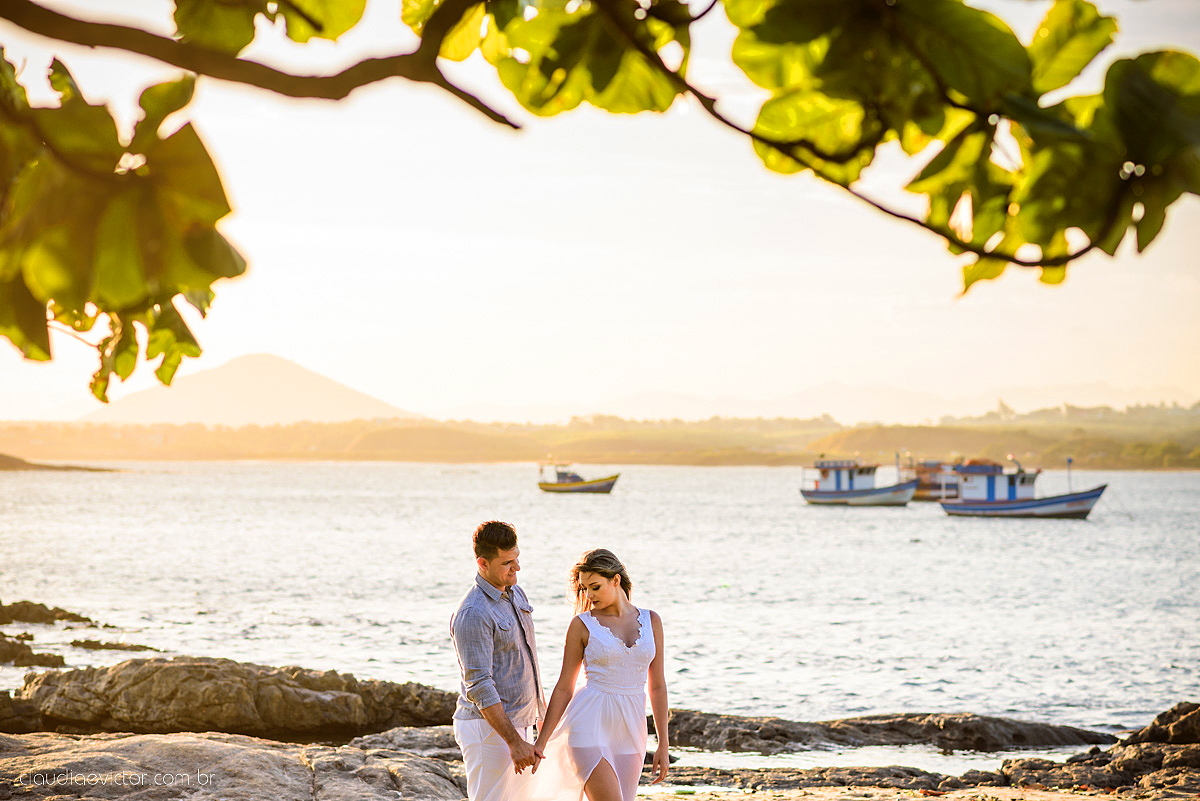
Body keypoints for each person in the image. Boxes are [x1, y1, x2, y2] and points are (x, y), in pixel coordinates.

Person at [528, 548, 669, 801]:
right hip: (589, 725)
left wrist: (663, 744)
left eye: (595, 587)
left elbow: (657, 686)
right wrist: (542, 741)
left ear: (615, 580)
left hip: (631, 728)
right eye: (584, 589)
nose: (589, 595)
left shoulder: (652, 621)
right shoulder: (582, 625)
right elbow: (564, 687)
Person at [450, 520, 546, 801]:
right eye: (507, 563)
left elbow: (525, 660)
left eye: (517, 559)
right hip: (489, 730)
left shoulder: (515, 593)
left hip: (521, 723)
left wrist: (539, 715)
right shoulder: (473, 612)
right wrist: (514, 742)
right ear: (482, 563)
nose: (517, 568)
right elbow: (479, 685)